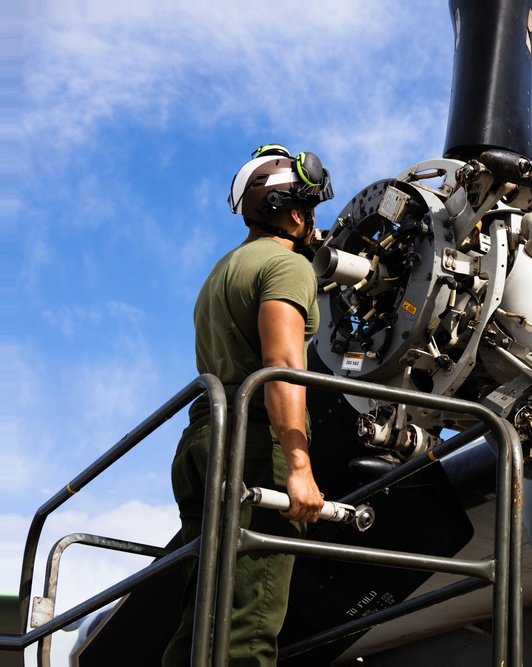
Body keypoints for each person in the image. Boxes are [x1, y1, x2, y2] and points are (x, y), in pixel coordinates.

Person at [163, 144, 334, 666]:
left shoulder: (223, 270)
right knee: (248, 623)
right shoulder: (284, 267)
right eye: (308, 208)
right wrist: (299, 467)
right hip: (254, 444)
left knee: (204, 616)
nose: (312, 221)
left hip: (201, 442)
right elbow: (281, 364)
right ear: (288, 209)